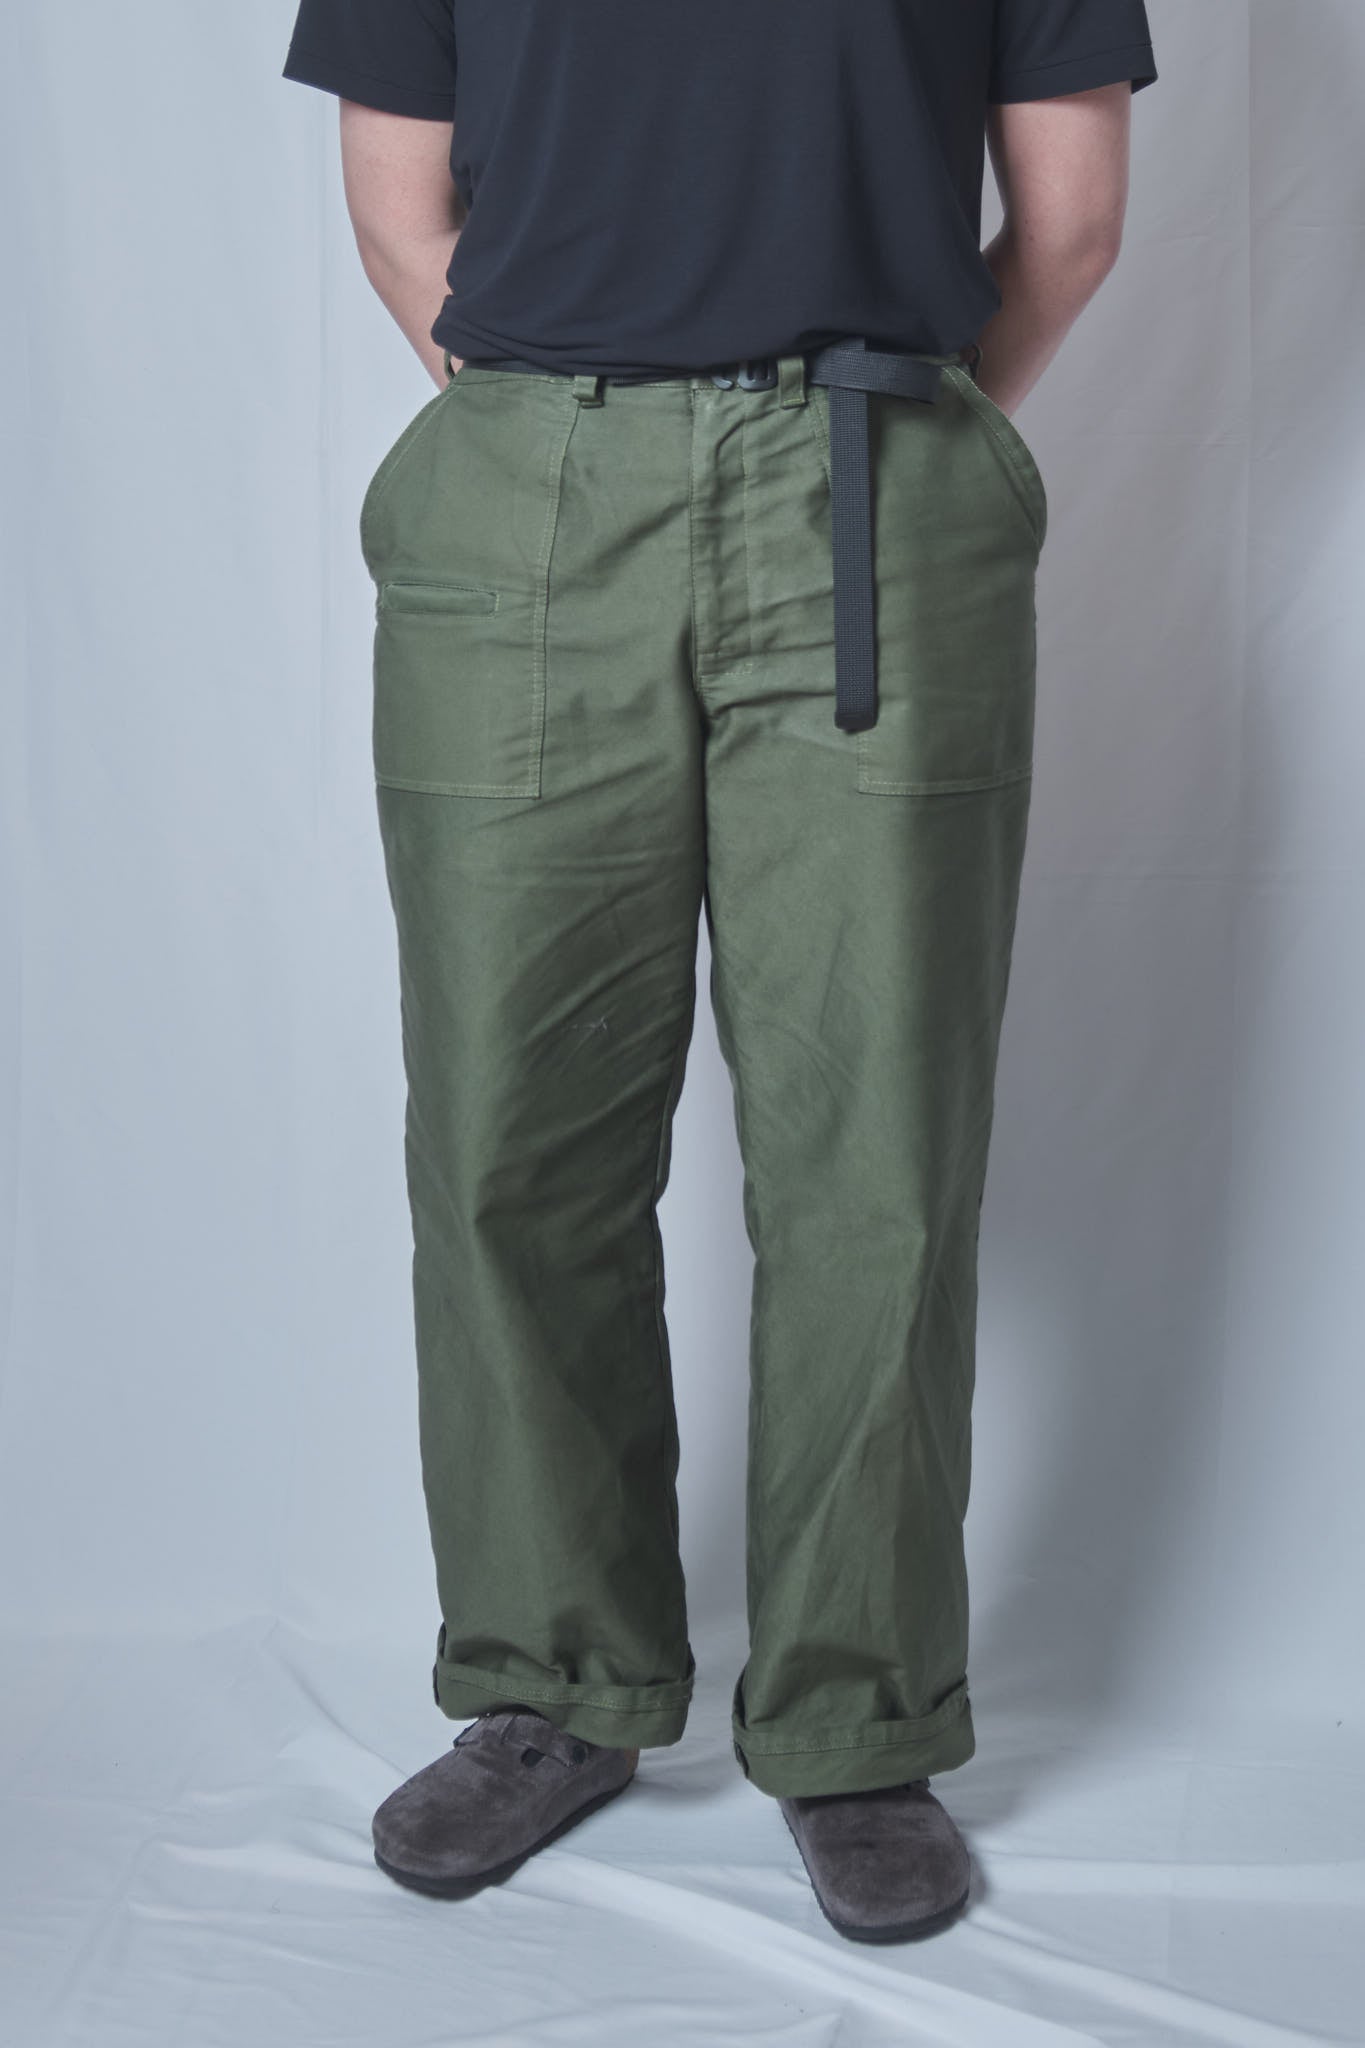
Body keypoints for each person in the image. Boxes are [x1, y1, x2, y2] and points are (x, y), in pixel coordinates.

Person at [281, 0, 1157, 1944]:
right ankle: (553, 1681)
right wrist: (575, 427)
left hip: (872, 472)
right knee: (507, 1134)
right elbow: (398, 200)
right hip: (530, 482)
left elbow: (1071, 214)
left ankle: (854, 1720)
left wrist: (897, 434)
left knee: (876, 1149)